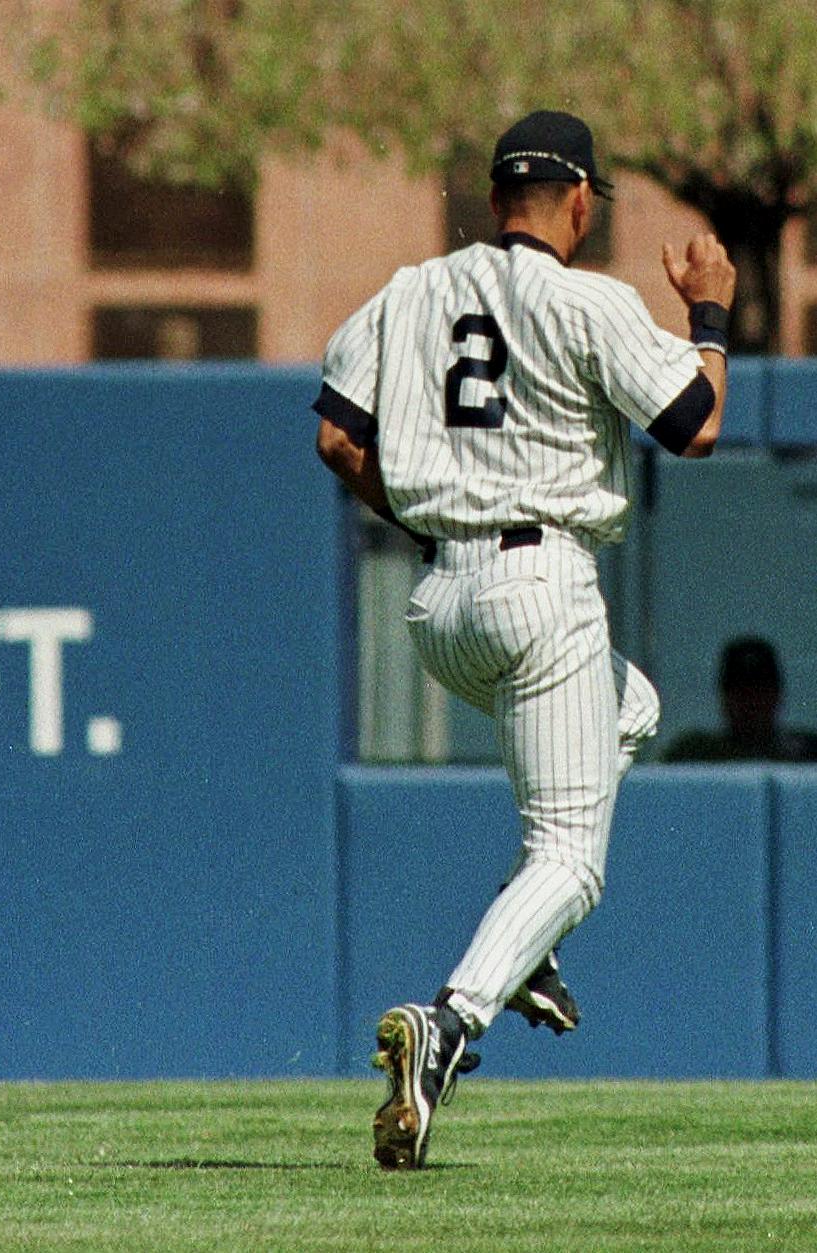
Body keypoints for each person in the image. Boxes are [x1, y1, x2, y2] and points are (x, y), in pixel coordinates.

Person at [314, 110, 736, 1169]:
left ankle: (522, 948)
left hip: (441, 603)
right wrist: (711, 312)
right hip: (542, 579)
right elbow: (697, 423)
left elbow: (335, 435)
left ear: (492, 195)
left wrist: (427, 517)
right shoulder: (587, 298)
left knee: (628, 706)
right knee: (571, 859)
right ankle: (450, 1023)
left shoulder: (407, 291)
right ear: (582, 200)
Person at [661, 637, 817, 762]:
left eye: (760, 692)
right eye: (741, 693)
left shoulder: (807, 754)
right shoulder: (693, 754)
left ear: (777, 695)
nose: (751, 702)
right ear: (725, 697)